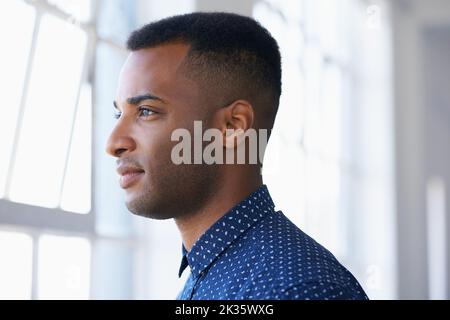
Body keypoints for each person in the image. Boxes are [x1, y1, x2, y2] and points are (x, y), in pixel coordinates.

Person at [106, 12, 368, 300]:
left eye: (146, 111)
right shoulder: (211, 269)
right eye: (119, 113)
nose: (113, 143)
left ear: (232, 127)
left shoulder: (296, 289)